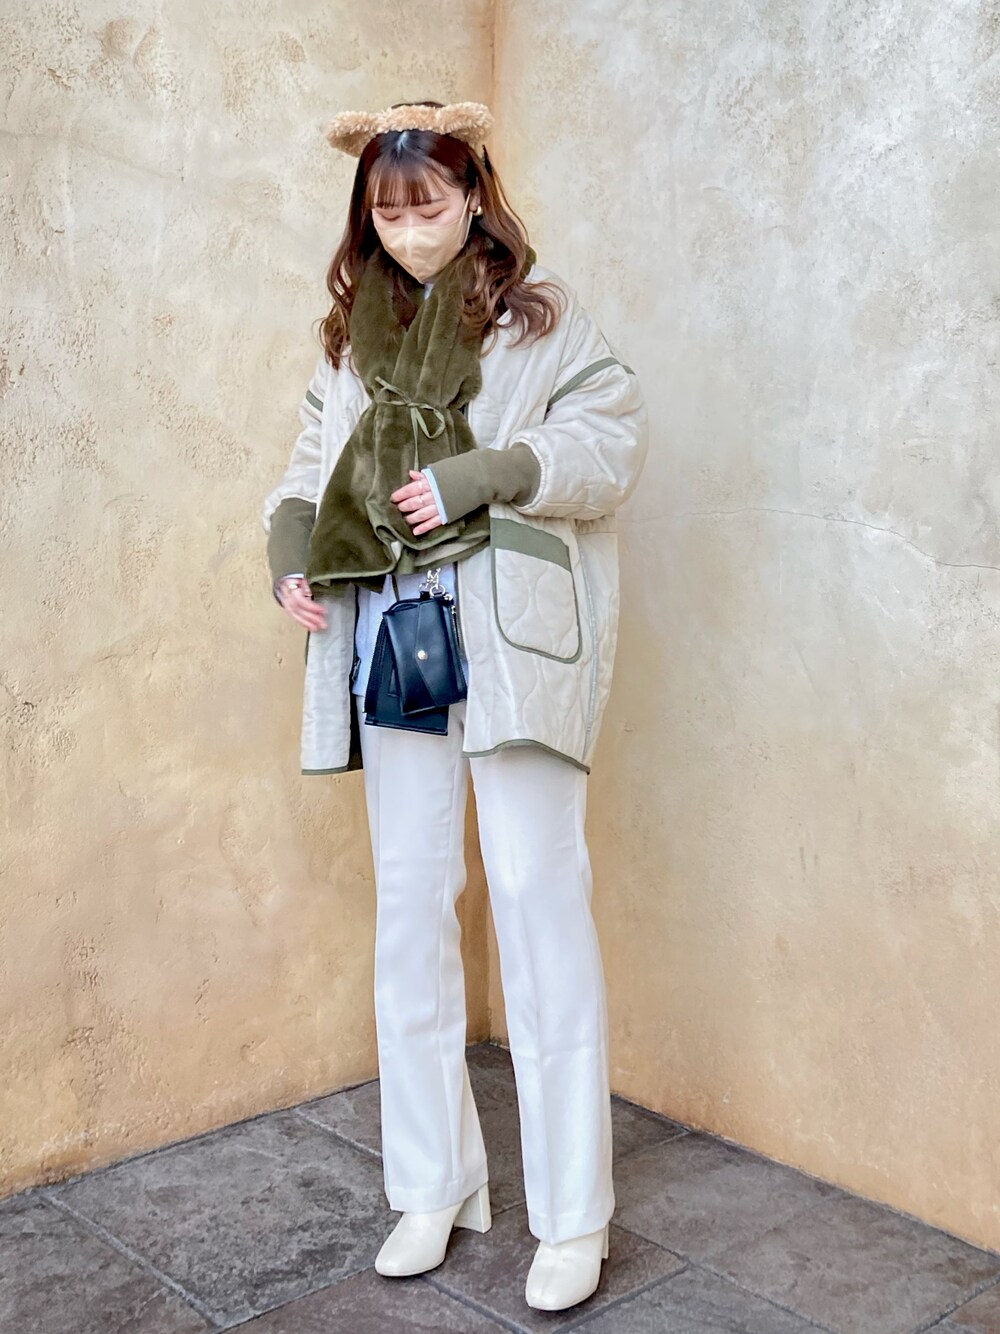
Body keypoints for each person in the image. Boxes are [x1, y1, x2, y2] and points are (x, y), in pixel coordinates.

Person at [261, 98, 647, 1313]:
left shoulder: (541, 319)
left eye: (427, 203)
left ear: (473, 195)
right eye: (386, 211)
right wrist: (288, 552)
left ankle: (572, 1215)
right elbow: (305, 468)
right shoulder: (348, 343)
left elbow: (611, 440)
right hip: (392, 632)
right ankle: (430, 1186)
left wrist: (487, 472)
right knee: (411, 905)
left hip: (512, 642)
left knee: (538, 902)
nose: (409, 228)